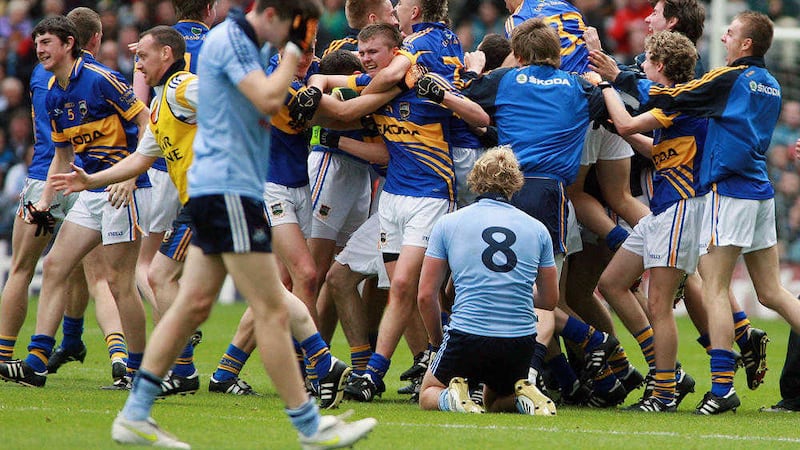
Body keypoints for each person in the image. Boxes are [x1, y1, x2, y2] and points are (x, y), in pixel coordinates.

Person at [108, 2, 377, 448]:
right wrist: (295, 50)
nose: (293, 39)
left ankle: (134, 415)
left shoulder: (240, 43)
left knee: (193, 306)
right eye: (294, 27)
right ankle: (310, 427)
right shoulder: (232, 39)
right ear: (272, 13)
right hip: (230, 187)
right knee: (271, 307)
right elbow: (271, 99)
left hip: (222, 187)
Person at [591, 10, 800, 415]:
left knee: (715, 288)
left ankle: (720, 389)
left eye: (732, 31)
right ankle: (688, 383)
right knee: (772, 291)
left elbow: (673, 95)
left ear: (747, 45)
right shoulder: (772, 84)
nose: (724, 36)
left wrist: (615, 80)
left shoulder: (729, 78)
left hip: (728, 191)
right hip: (759, 189)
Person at [0, 15, 151, 388]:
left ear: (69, 44)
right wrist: (45, 200)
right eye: (37, 43)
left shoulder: (100, 79)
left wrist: (131, 177)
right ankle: (36, 362)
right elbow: (62, 156)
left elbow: (148, 121)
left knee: (119, 281)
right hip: (88, 188)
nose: (39, 49)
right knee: (54, 266)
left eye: (47, 42)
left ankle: (139, 369)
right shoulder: (53, 92)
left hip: (120, 189)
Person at [594, 30, 705, 412]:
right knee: (611, 282)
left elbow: (627, 126)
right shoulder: (676, 99)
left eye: (646, 60)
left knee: (659, 306)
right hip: (662, 211)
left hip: (680, 210)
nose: (641, 65)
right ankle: (666, 377)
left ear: (659, 66)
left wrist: (607, 86)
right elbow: (659, 151)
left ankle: (664, 393)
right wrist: (614, 125)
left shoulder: (677, 100)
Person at [417, 146, 558, 415]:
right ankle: (523, 398)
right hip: (519, 340)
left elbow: (425, 295)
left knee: (428, 392)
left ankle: (451, 397)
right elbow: (550, 301)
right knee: (494, 402)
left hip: (466, 334)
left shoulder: (449, 223)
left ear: (476, 180)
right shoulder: (537, 228)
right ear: (516, 184)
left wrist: (436, 344)